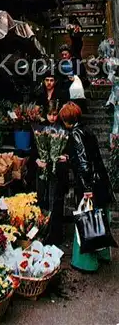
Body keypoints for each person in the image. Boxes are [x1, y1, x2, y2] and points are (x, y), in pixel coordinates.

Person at [59, 102, 114, 272]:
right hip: (100, 181)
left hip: (90, 183)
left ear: (67, 119)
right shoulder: (87, 130)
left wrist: (87, 189)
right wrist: (70, 159)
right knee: (99, 217)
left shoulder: (75, 133)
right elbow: (89, 157)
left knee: (86, 219)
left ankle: (85, 263)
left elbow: (84, 164)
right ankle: (103, 254)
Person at [34, 100, 68, 245]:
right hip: (43, 170)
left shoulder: (63, 130)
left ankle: (55, 235)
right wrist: (37, 160)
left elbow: (68, 150)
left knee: (56, 202)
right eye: (50, 114)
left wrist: (65, 157)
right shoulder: (40, 129)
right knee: (43, 200)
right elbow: (34, 149)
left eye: (55, 114)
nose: (52, 117)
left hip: (57, 172)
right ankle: (42, 232)